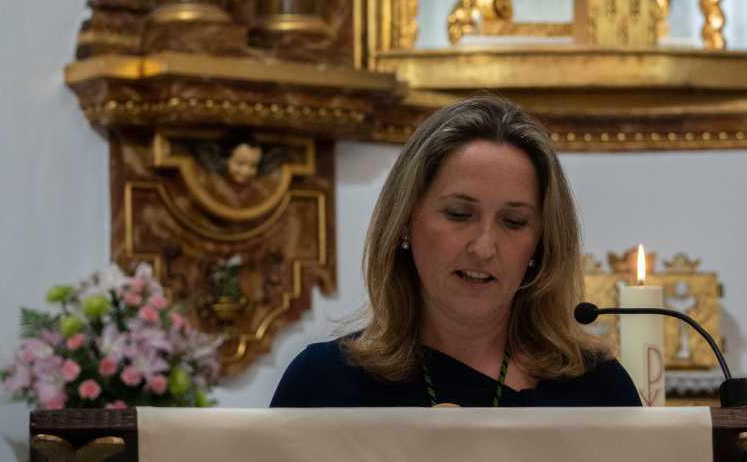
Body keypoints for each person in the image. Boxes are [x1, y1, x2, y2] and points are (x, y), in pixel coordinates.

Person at [271, 94, 641, 408]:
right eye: (458, 214)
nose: (483, 247)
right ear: (404, 222)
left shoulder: (598, 390)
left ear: (540, 244)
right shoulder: (322, 386)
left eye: (513, 222)